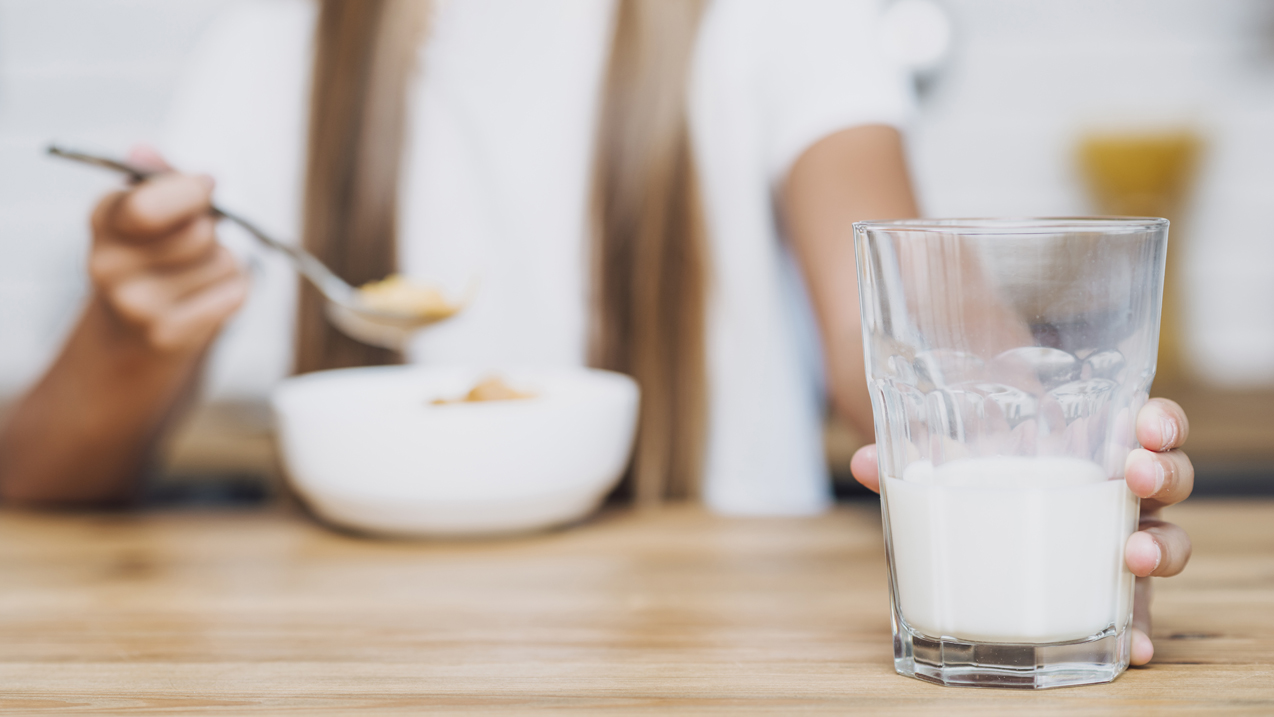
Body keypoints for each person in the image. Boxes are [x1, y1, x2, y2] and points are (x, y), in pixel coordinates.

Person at [0, 0, 1189, 665]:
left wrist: (1047, 462)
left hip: (722, 663)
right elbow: (36, 481)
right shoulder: (281, 44)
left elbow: (909, 334)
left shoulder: (776, 23)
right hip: (357, 662)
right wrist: (131, 322)